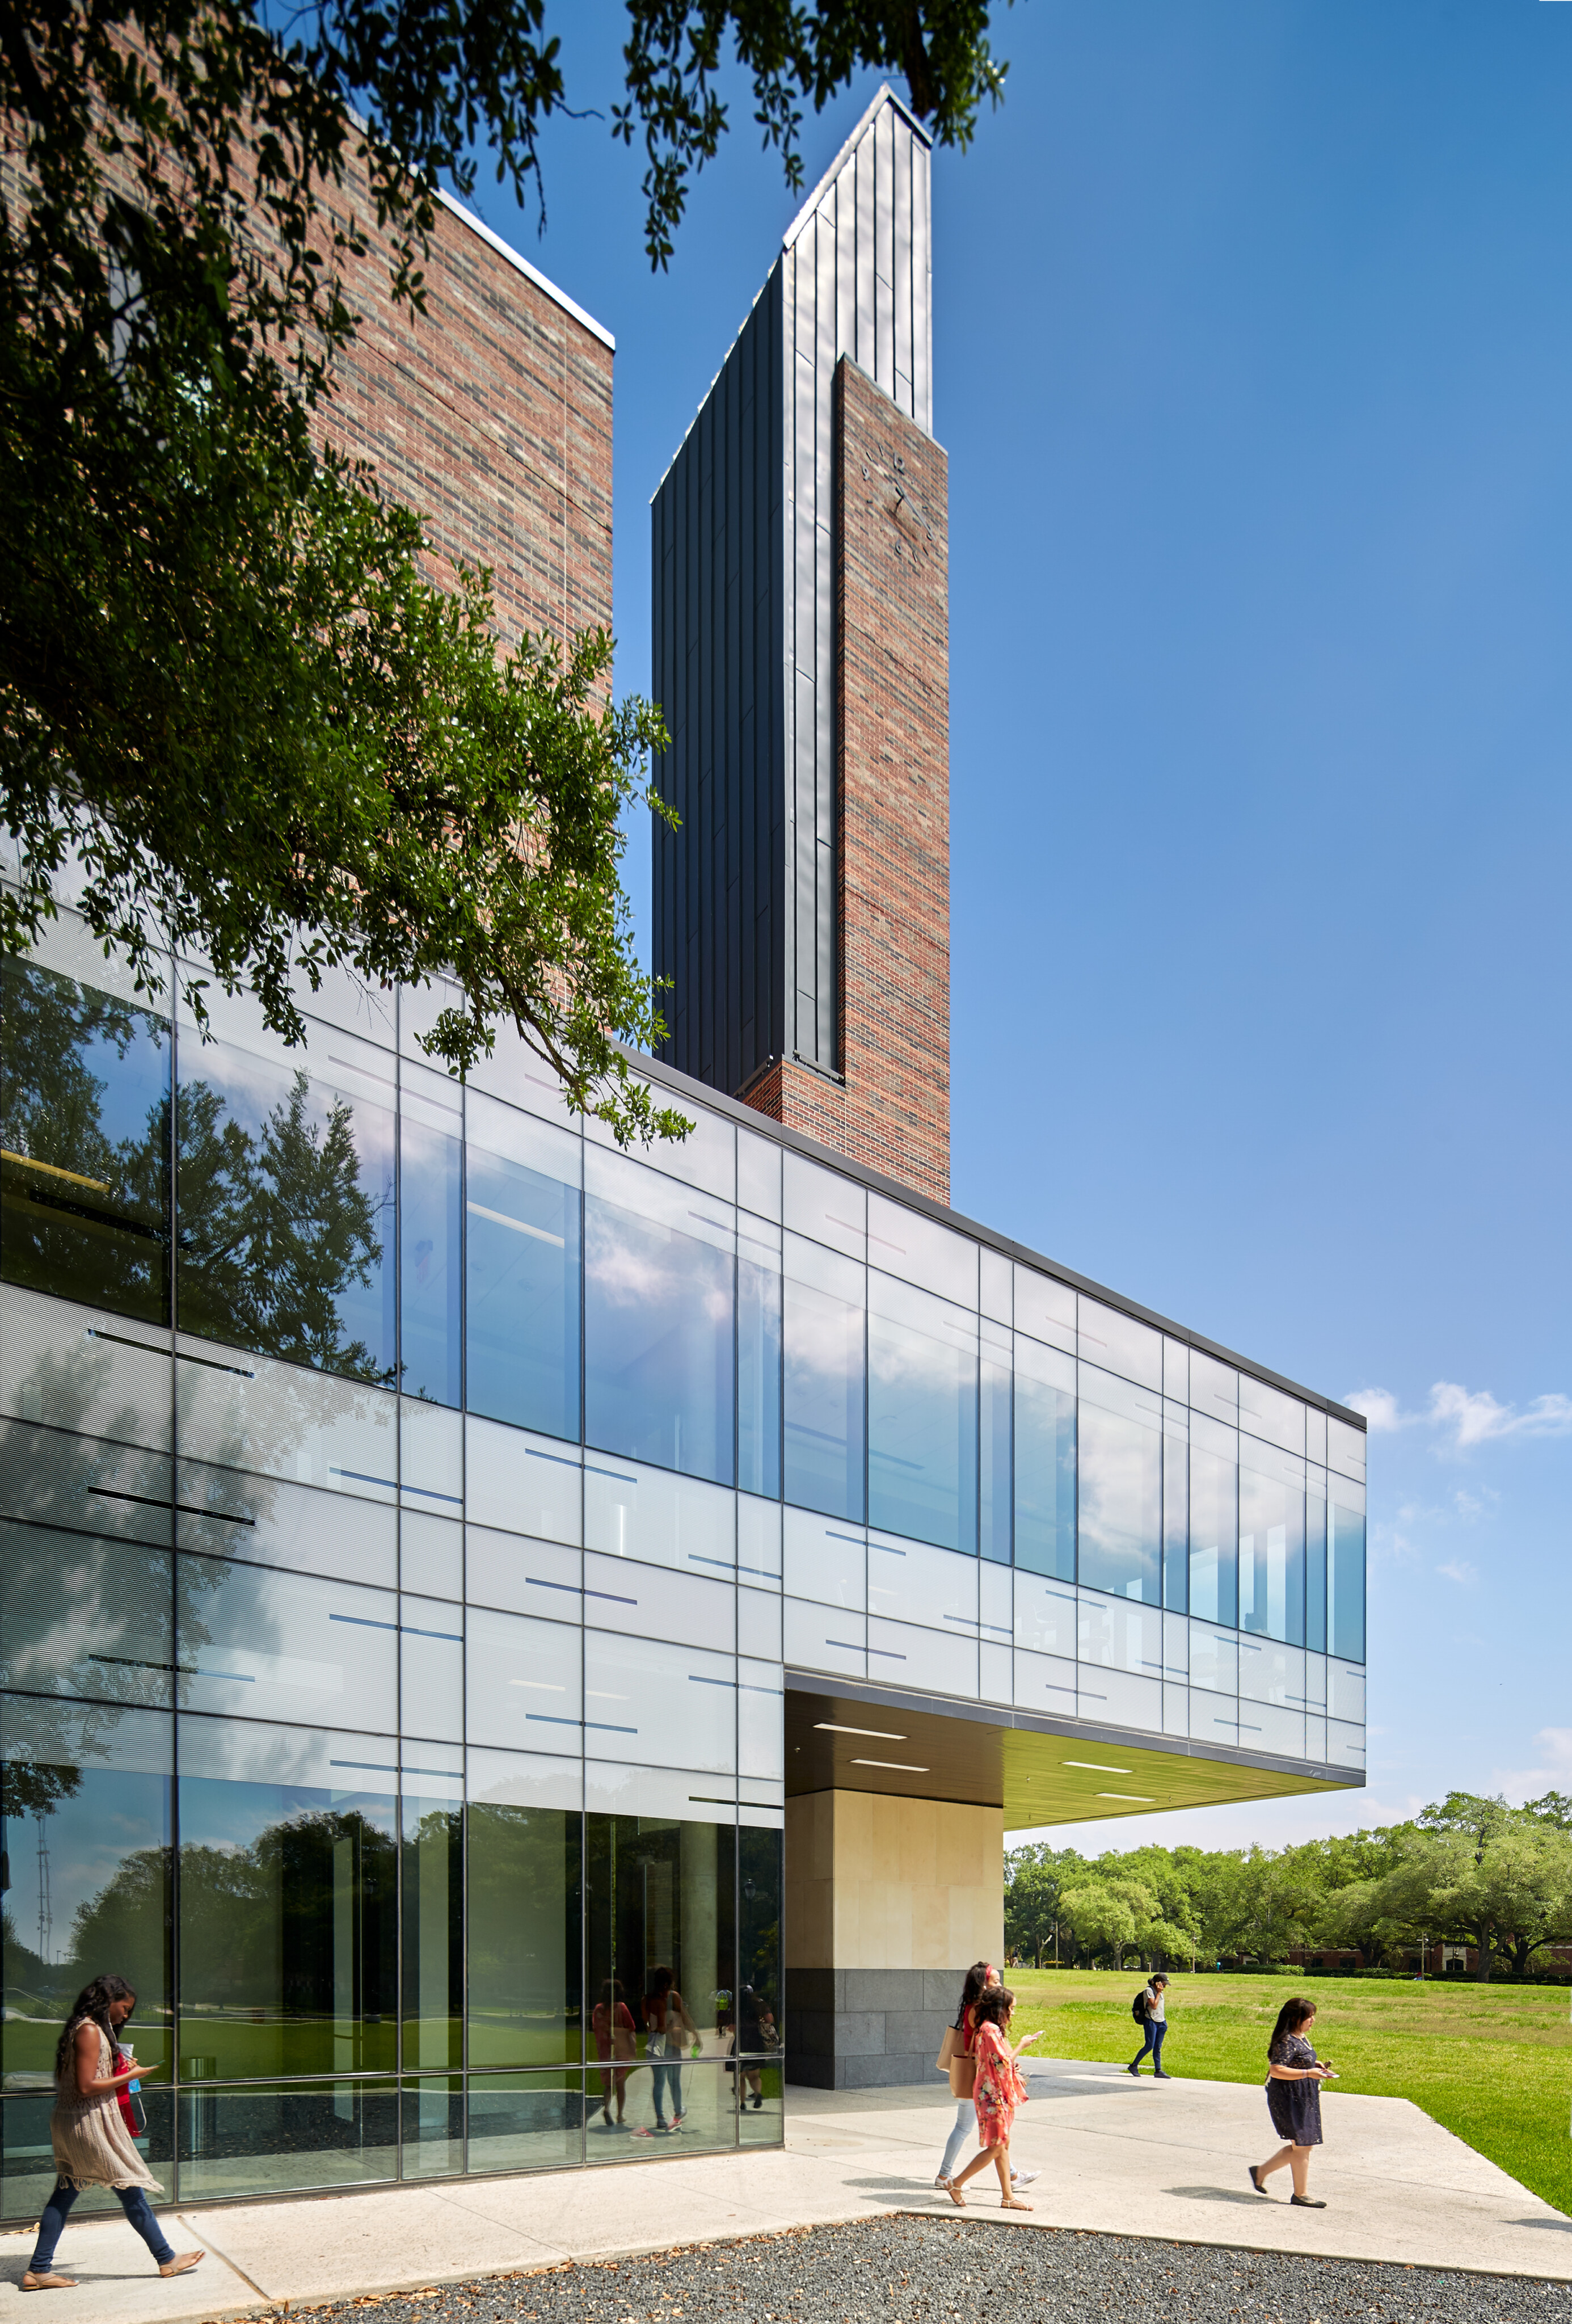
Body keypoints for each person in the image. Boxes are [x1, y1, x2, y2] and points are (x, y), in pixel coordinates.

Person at [22, 1974, 203, 2292]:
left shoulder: (88, 2029)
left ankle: (39, 2270)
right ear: (108, 2000)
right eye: (124, 2007)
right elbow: (86, 2086)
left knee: (67, 2191)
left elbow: (90, 2078)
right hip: (87, 2123)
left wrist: (120, 2066)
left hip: (80, 2121)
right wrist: (132, 2075)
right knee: (129, 2185)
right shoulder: (90, 2030)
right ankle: (166, 2259)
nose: (126, 2015)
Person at [935, 1964, 1039, 2191]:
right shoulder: (981, 2015)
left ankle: (1010, 2179)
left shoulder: (980, 2010)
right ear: (984, 1984)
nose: (1000, 1985)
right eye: (996, 1982)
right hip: (981, 2079)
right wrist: (1015, 2051)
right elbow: (995, 2053)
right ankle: (948, 2178)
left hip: (982, 2076)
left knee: (996, 2139)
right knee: (970, 2130)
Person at [1249, 1995, 1333, 2208]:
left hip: (1303, 2095)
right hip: (1289, 2097)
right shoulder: (1286, 2039)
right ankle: (1300, 2194)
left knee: (1302, 2146)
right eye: (1309, 2017)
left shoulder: (1301, 2036)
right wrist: (1308, 2072)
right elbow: (1276, 2070)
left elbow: (1295, 2061)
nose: (1313, 2020)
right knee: (1302, 2146)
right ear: (1296, 2018)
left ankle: (1260, 2172)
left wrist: (1315, 2064)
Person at [640, 1966, 697, 2136]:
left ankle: (660, 2117)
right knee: (675, 2081)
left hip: (655, 2044)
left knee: (659, 2082)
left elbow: (648, 2026)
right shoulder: (674, 1998)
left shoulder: (647, 2000)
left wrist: (658, 2027)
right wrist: (695, 2035)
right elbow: (685, 2018)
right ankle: (678, 2111)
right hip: (670, 2045)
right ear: (667, 1984)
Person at [590, 1977, 637, 2131]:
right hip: (619, 2049)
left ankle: (607, 2109)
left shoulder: (598, 2010)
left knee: (608, 2084)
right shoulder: (621, 2007)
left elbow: (595, 2028)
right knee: (621, 2083)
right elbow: (631, 2026)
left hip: (604, 2051)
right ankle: (620, 2114)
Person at [1127, 1972, 1171, 2078]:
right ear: (1158, 1982)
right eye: (1164, 1983)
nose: (1165, 1986)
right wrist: (1159, 1993)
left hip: (1161, 2022)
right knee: (1149, 2045)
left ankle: (1158, 2070)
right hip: (1151, 2021)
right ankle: (1133, 2066)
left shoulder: (1159, 1992)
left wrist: (1164, 2023)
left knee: (1158, 2047)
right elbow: (1154, 2006)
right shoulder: (1149, 1991)